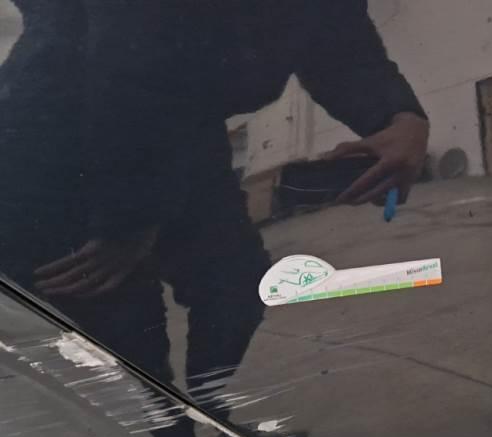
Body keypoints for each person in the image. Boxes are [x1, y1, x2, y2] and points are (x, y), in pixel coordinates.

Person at [0, 0, 429, 393]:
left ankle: (210, 414)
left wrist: (400, 117)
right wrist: (128, 220)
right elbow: (128, 58)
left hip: (183, 130)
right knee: (117, 342)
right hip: (57, 143)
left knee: (235, 287)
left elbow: (338, 42)